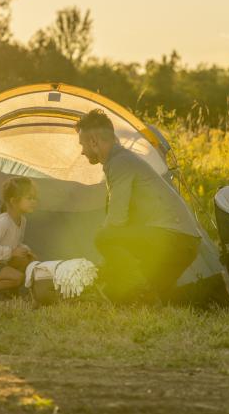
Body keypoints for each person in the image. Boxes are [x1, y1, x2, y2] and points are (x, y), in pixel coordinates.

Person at [76, 109, 202, 304]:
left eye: (82, 144)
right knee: (121, 296)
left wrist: (101, 262)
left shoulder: (120, 163)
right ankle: (146, 292)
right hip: (182, 243)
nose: (82, 151)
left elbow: (116, 221)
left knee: (103, 237)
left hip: (174, 240)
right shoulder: (121, 160)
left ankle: (138, 289)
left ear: (93, 142)